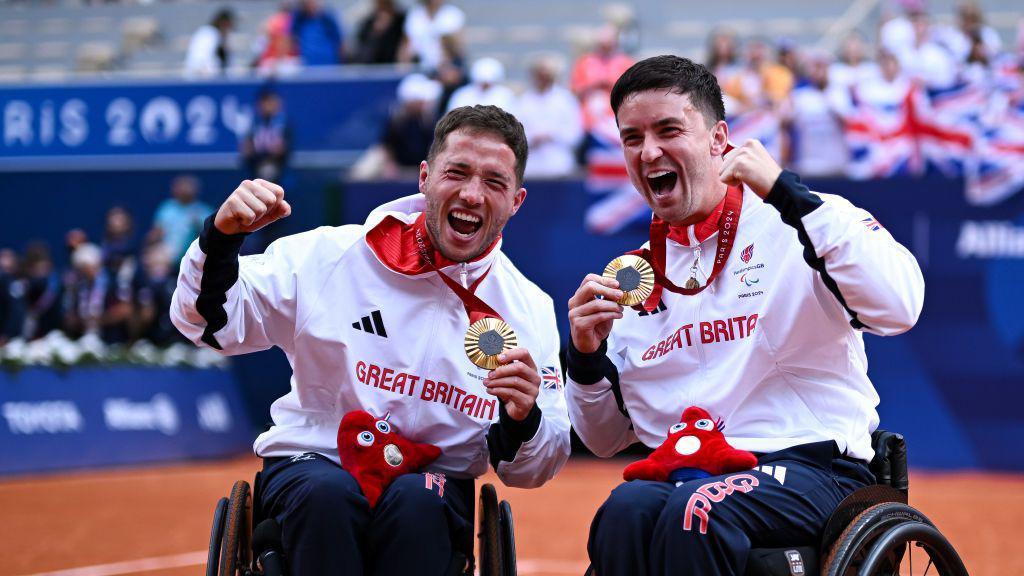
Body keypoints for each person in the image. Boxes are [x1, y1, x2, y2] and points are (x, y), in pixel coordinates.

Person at [170, 105, 570, 575]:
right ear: (424, 177)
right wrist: (218, 240)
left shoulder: (529, 308)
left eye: (494, 182)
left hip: (432, 485)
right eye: (456, 173)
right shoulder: (330, 256)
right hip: (313, 463)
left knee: (416, 502)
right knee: (327, 496)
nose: (471, 194)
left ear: (517, 201)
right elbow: (208, 323)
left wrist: (524, 418)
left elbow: (532, 467)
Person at [565, 55, 924, 575]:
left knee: (698, 511)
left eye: (669, 130)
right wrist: (585, 357)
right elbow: (603, 439)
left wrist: (789, 196)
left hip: (813, 468)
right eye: (632, 138)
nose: (649, 151)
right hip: (691, 470)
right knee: (624, 511)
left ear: (718, 140)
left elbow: (901, 306)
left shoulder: (799, 220)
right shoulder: (632, 279)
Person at [152, 175, 214, 264]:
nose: (185, 190)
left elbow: (210, 235)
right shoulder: (167, 208)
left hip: (196, 251)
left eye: (188, 186)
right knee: (156, 257)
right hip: (168, 251)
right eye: (182, 186)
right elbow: (157, 233)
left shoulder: (203, 210)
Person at [184, 7, 236, 78]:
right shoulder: (208, 34)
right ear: (224, 23)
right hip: (203, 81)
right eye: (229, 25)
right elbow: (202, 61)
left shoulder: (222, 38)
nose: (230, 29)